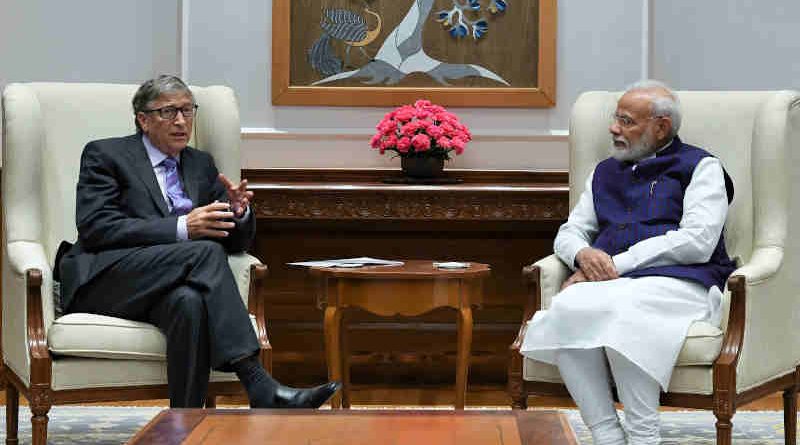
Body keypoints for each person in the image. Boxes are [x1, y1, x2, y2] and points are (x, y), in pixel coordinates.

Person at [58, 75, 341, 408]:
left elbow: (234, 244)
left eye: (188, 110)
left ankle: (185, 423)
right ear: (143, 120)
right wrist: (181, 227)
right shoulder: (106, 155)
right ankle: (257, 382)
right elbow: (97, 228)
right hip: (108, 279)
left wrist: (239, 213)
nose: (181, 121)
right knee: (204, 251)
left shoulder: (200, 164)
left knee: (188, 302)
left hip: (170, 281)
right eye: (169, 112)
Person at [520, 80, 736, 445]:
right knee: (568, 305)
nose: (613, 128)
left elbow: (698, 242)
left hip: (682, 282)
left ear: (661, 127)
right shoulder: (604, 172)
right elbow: (571, 231)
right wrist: (582, 255)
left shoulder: (701, 167)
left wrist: (616, 266)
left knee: (624, 311)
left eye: (626, 121)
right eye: (615, 118)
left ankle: (642, 435)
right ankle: (606, 434)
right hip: (611, 285)